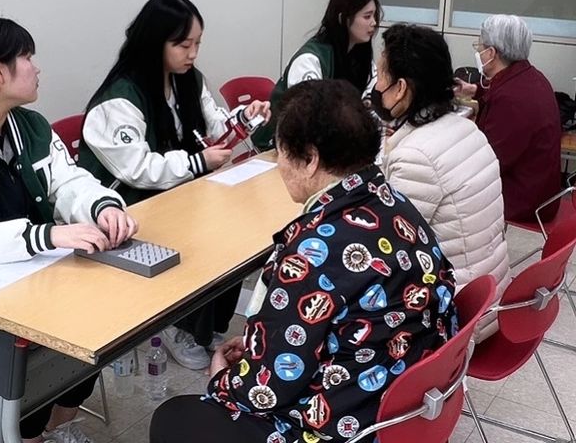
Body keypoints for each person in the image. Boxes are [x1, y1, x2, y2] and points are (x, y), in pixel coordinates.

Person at [150, 79, 458, 443]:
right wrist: (262, 344)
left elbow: (266, 391)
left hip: (344, 425)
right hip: (404, 404)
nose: (279, 164)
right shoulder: (396, 204)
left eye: (280, 151)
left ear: (310, 159)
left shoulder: (313, 252)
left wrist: (222, 378)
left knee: (174, 418)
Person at [0, 15, 138, 443]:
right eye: (27, 57)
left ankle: (58, 424)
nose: (37, 67)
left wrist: (101, 205)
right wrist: (43, 236)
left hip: (28, 270)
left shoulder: (29, 126)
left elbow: (68, 181)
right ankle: (24, 433)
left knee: (102, 311)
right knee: (48, 332)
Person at [78, 0, 270, 371]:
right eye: (183, 45)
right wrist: (198, 162)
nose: (193, 53)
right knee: (200, 239)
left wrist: (245, 120)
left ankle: (207, 324)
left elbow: (216, 128)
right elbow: (138, 169)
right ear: (155, 42)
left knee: (234, 236)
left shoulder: (188, 80)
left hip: (180, 195)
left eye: (197, 43)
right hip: (131, 209)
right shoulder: (118, 99)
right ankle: (175, 324)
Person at [373, 24, 509, 340]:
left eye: (380, 75)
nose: (377, 85)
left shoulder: (417, 156)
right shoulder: (466, 128)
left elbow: (388, 249)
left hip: (457, 317)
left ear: (401, 88)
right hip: (489, 295)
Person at [455, 14, 562, 223]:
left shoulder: (512, 100)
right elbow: (500, 94)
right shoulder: (532, 77)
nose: (478, 52)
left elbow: (487, 163)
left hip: (522, 201)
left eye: (480, 46)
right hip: (541, 192)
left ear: (491, 53)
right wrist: (474, 90)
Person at [252, 0, 381, 150]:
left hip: (329, 141)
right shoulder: (310, 59)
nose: (374, 23)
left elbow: (370, 100)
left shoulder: (360, 55)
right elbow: (307, 118)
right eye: (367, 16)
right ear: (343, 18)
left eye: (375, 16)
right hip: (282, 145)